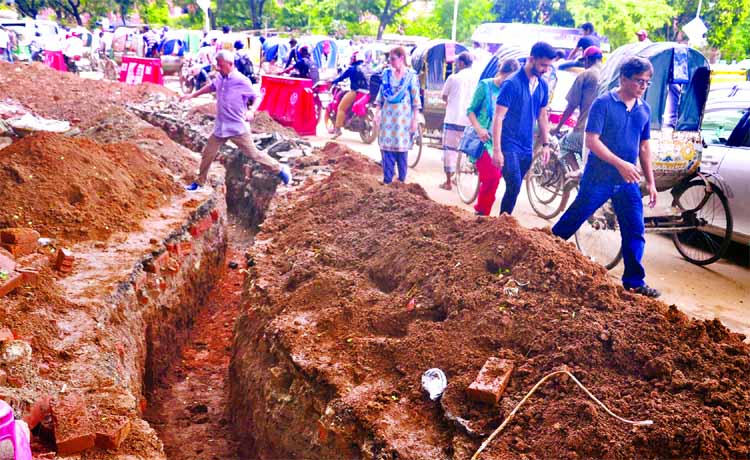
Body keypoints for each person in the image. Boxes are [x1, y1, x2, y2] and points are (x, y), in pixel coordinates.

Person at [552, 56, 659, 298]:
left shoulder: (644, 109)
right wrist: (620, 163)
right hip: (599, 177)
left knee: (634, 229)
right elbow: (592, 141)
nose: (643, 86)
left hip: (627, 180)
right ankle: (545, 253)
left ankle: (634, 281)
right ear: (623, 78)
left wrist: (650, 182)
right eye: (638, 81)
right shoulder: (604, 103)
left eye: (647, 82)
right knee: (574, 217)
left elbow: (644, 147)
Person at [180, 50, 291, 189]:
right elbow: (212, 86)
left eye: (221, 65)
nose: (218, 68)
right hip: (221, 127)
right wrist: (192, 95)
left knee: (254, 154)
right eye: (217, 65)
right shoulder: (220, 77)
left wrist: (251, 111)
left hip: (237, 127)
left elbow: (257, 97)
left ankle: (280, 169)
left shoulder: (242, 80)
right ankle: (199, 183)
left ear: (230, 64)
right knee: (208, 153)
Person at [491, 41, 555, 215]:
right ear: (531, 59)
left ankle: (503, 222)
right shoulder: (511, 83)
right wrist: (497, 150)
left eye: (548, 66)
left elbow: (542, 116)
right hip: (508, 142)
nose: (545, 70)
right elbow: (498, 117)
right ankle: (503, 224)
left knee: (516, 187)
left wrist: (546, 144)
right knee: (514, 183)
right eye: (543, 65)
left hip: (527, 145)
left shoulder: (543, 86)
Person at [467, 58, 520, 216]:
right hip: (484, 141)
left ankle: (484, 211)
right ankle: (482, 211)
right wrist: (479, 128)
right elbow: (470, 110)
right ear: (501, 73)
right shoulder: (485, 86)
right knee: (493, 176)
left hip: (503, 140)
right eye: (506, 78)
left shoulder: (513, 90)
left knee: (496, 180)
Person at [551, 45, 604, 173]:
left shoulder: (585, 75)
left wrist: (558, 127)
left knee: (564, 145)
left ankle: (576, 175)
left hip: (585, 129)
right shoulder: (608, 75)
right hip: (603, 130)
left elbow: (571, 106)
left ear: (587, 60)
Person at [374, 46, 421, 184]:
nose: (391, 62)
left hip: (403, 120)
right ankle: (387, 181)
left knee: (402, 151)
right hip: (388, 119)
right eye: (389, 59)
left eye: (393, 59)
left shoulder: (411, 76)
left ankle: (401, 182)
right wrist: (377, 112)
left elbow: (415, 99)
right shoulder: (387, 74)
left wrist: (414, 120)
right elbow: (381, 95)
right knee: (387, 150)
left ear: (402, 58)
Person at [439, 51, 475, 190]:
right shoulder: (477, 79)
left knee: (449, 150)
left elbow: (444, 96)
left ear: (461, 63)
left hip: (453, 118)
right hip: (469, 121)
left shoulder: (453, 78)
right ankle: (457, 177)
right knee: (464, 152)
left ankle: (448, 182)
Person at [331, 52, 369, 138]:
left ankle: (337, 130)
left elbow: (342, 77)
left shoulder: (352, 69)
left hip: (356, 92)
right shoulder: (367, 67)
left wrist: (333, 82)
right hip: (367, 93)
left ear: (354, 59)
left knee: (341, 108)